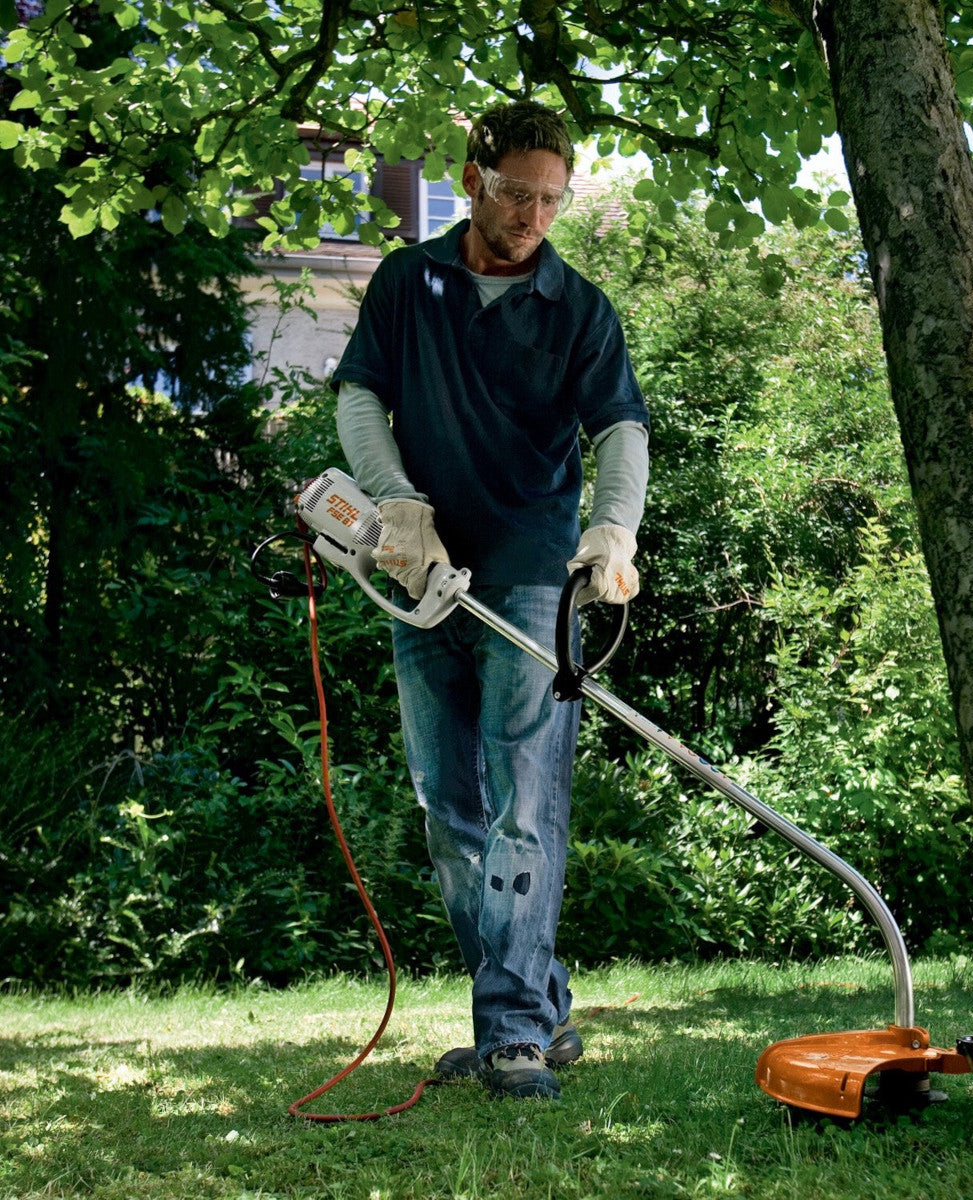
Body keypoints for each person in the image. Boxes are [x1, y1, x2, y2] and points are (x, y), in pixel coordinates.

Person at [330, 101, 650, 1100]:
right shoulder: (406, 281)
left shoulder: (579, 308)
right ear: (473, 176)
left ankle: (509, 1029)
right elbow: (356, 397)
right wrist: (394, 504)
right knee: (447, 805)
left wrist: (612, 530)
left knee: (523, 798)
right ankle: (537, 1002)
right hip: (420, 575)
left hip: (529, 576)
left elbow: (620, 430)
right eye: (516, 193)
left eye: (552, 200)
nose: (532, 216)